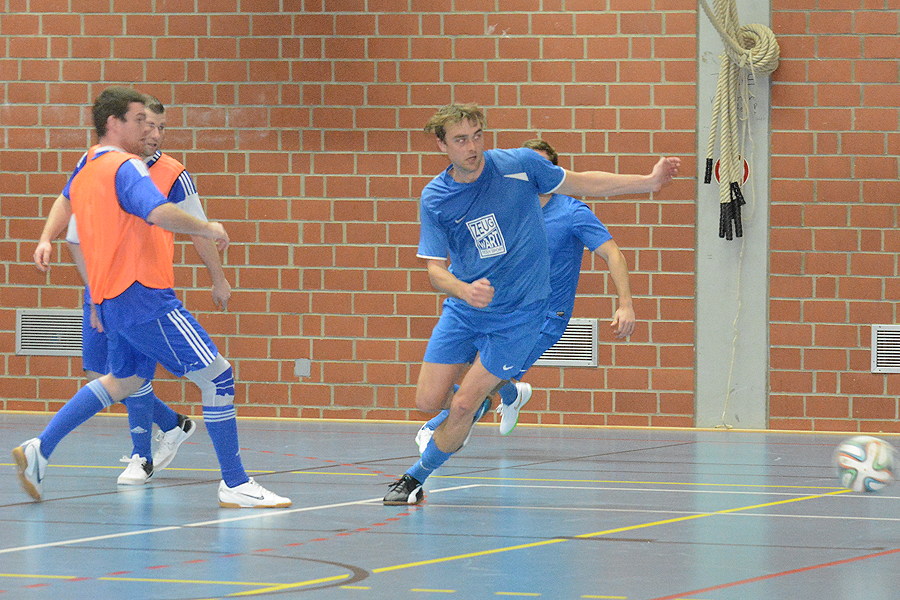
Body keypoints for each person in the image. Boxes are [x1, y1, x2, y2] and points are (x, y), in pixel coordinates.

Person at [383, 103, 679, 505]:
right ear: (442, 145)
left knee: (465, 404)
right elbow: (435, 270)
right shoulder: (436, 197)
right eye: (460, 140)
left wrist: (648, 181)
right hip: (466, 309)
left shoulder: (519, 165)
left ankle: (415, 477)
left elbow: (586, 182)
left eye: (477, 136)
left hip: (521, 315)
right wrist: (463, 290)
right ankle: (505, 394)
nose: (472, 147)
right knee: (426, 402)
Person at [14, 86, 289, 508]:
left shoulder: (87, 164)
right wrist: (207, 227)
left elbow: (75, 229)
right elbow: (157, 212)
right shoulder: (126, 167)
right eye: (139, 120)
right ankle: (235, 483)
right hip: (143, 294)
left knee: (123, 381)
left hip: (110, 297)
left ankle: (40, 447)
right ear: (114, 123)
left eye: (152, 122)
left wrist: (95, 292)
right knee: (218, 377)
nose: (148, 129)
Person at [35, 96, 232, 486]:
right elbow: (68, 208)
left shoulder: (169, 173)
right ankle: (171, 424)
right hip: (103, 286)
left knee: (147, 375)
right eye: (146, 124)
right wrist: (47, 238)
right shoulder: (98, 164)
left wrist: (218, 276)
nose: (153, 133)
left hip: (138, 289)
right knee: (106, 374)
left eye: (159, 127)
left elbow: (193, 226)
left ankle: (144, 454)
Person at [414, 139, 639, 452]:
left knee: (484, 381)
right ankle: (511, 395)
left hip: (544, 315)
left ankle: (439, 428)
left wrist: (625, 304)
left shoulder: (571, 212)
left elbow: (612, 253)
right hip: (497, 309)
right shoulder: (506, 206)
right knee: (469, 372)